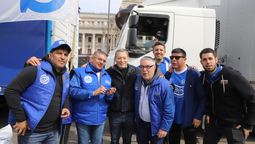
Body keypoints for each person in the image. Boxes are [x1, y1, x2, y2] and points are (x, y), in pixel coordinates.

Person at [4, 40, 71, 144]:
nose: (63, 57)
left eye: (66, 54)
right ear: (50, 54)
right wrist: (21, 119)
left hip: (54, 132)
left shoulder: (65, 76)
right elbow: (10, 91)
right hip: (32, 133)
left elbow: (65, 94)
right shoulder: (35, 69)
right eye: (59, 53)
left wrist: (65, 107)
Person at [199, 48, 255, 144]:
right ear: (201, 62)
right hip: (214, 124)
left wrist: (247, 124)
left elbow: (253, 99)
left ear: (216, 59)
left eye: (210, 58)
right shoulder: (203, 77)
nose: (208, 62)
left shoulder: (232, 76)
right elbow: (187, 73)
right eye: (204, 59)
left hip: (234, 125)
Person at [69, 50, 116, 144]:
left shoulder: (107, 76)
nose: (101, 62)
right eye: (99, 59)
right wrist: (93, 93)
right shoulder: (79, 72)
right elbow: (72, 91)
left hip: (100, 118)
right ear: (92, 58)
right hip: (83, 118)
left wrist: (110, 95)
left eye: (104, 60)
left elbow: (107, 99)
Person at [164, 48, 206, 144]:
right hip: (172, 117)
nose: (174, 59)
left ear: (185, 59)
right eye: (172, 57)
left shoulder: (194, 74)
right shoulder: (168, 74)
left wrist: (198, 116)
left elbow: (202, 97)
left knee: (190, 141)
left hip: (189, 118)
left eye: (177, 57)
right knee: (173, 141)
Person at [134, 56, 175, 144]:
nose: (145, 70)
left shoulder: (165, 86)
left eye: (148, 67)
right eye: (142, 67)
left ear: (154, 67)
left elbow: (169, 110)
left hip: (157, 126)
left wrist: (164, 128)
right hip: (141, 124)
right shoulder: (138, 80)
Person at [106, 49, 140, 144]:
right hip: (114, 113)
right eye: (119, 58)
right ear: (115, 59)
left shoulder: (136, 71)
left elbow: (148, 72)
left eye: (124, 58)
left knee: (127, 140)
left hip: (130, 113)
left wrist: (161, 74)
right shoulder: (108, 72)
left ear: (128, 59)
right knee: (114, 140)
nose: (122, 60)